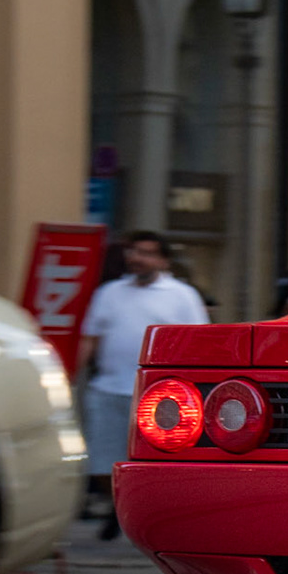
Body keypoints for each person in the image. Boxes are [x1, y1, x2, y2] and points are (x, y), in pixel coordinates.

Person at [78, 231, 210, 540]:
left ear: (162, 260)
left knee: (155, 463)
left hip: (159, 394)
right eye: (134, 252)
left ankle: (136, 518)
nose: (138, 258)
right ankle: (117, 509)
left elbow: (198, 342)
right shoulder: (109, 293)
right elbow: (91, 337)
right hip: (109, 388)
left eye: (147, 253)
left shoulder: (182, 295)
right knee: (102, 461)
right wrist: (71, 373)